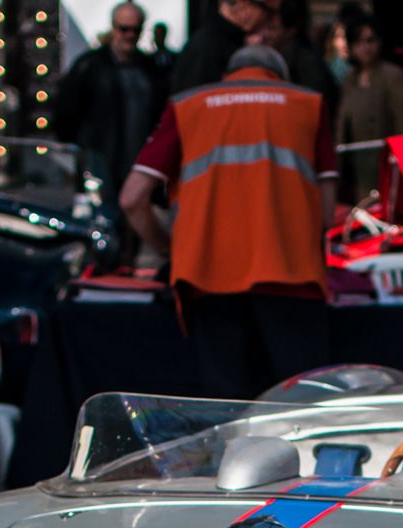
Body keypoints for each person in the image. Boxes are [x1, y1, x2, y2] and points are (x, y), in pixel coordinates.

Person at [119, 45, 339, 398]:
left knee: (225, 411)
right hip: (291, 275)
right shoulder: (308, 104)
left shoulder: (188, 106)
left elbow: (132, 198)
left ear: (227, 75)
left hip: (208, 277)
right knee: (302, 410)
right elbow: (327, 213)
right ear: (278, 77)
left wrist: (169, 248)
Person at [54, 3, 167, 204]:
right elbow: (66, 112)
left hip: (140, 164)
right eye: (124, 29)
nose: (129, 35)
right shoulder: (89, 66)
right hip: (101, 162)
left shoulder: (151, 68)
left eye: (135, 29)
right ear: (114, 28)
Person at [335, 17, 403, 199]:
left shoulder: (394, 77)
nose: (365, 47)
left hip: (385, 168)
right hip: (355, 171)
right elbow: (342, 125)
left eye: (371, 40)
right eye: (359, 42)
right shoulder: (349, 79)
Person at [171, 0, 275, 93]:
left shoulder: (218, 42)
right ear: (243, 4)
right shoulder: (209, 47)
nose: (270, 20)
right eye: (268, 12)